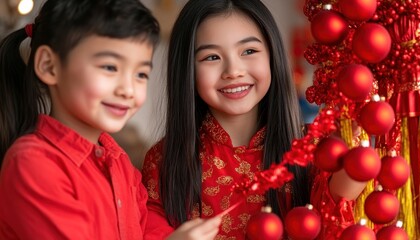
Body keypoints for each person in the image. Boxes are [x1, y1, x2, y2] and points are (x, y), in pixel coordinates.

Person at [141, 0, 368, 239]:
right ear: (187, 69)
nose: (233, 70)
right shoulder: (163, 161)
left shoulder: (315, 149)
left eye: (248, 51)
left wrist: (354, 150)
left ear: (272, 55)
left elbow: (336, 211)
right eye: (211, 57)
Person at [0, 0, 221, 239]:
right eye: (109, 67)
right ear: (49, 65)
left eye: (141, 74)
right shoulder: (33, 164)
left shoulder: (120, 164)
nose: (128, 89)